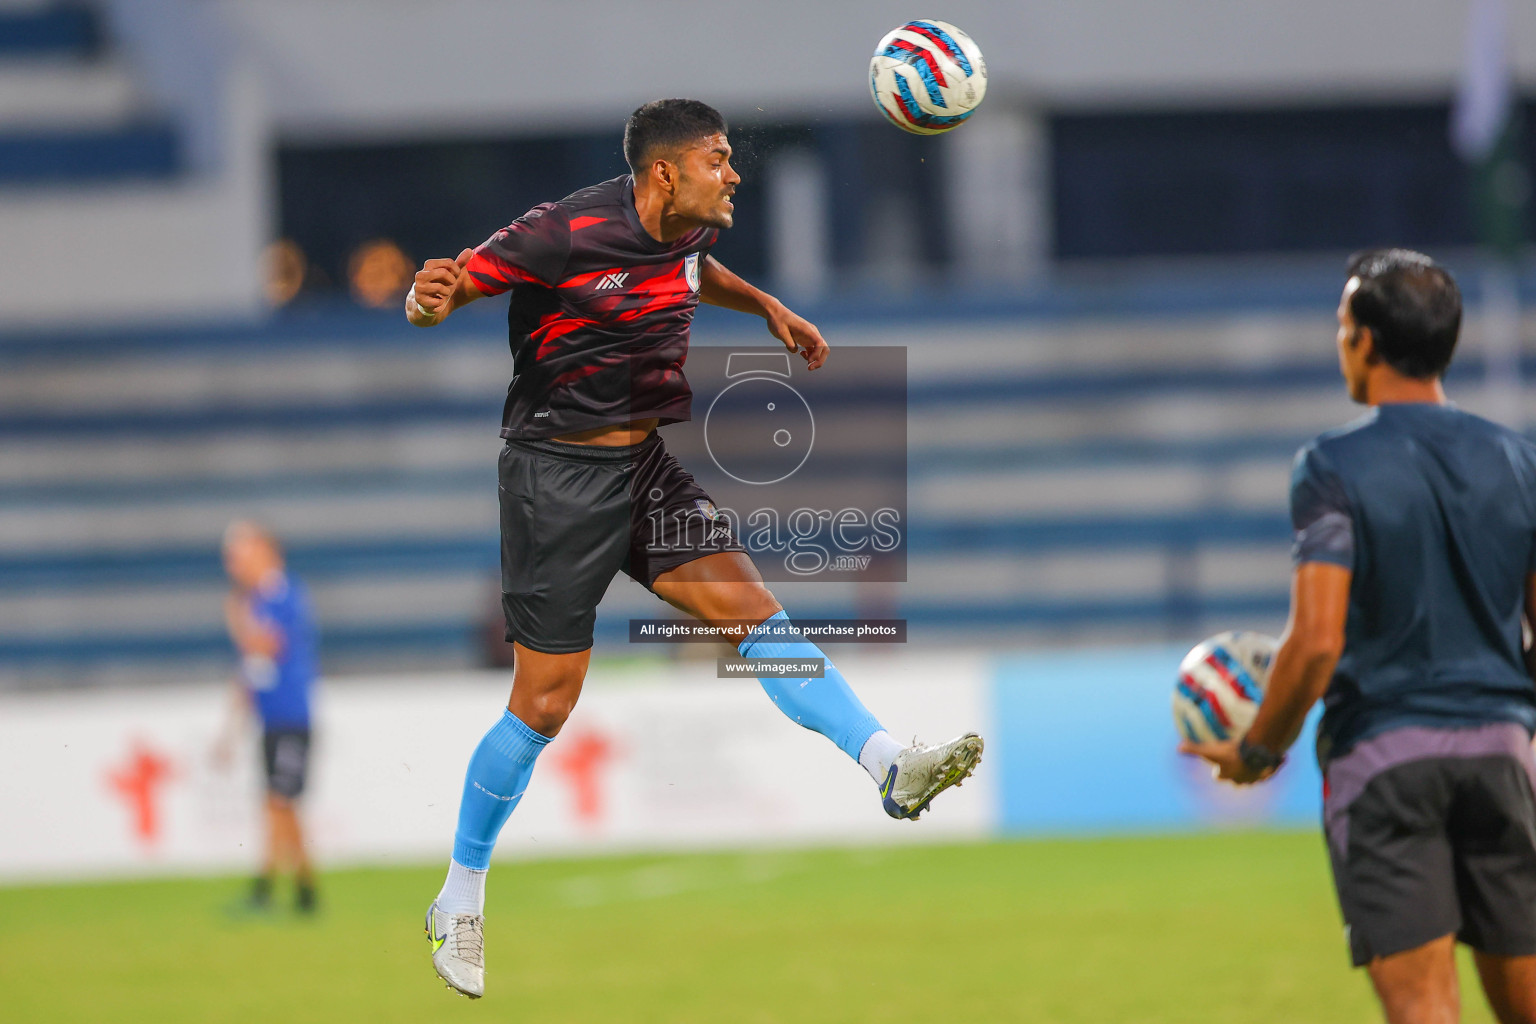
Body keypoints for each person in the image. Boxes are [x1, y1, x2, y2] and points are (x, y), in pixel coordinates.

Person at [406, 98, 983, 999]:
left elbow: (694, 271)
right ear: (664, 173)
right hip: (554, 483)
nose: (735, 172)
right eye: (719, 159)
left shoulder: (680, 232)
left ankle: (887, 767)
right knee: (545, 705)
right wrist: (425, 298)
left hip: (643, 470)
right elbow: (461, 280)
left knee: (758, 616)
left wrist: (767, 307)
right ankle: (461, 893)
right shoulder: (565, 232)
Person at [1183, 250, 1536, 1024]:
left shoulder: (1334, 466)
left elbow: (1314, 644)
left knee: (1424, 1009)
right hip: (1505, 758)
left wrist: (1256, 753)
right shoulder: (1519, 461)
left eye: (1344, 327)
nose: (1341, 342)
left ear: (1368, 342)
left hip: (1386, 762)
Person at [214, 520, 320, 914]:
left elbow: (264, 646)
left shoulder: (278, 595)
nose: (234, 565)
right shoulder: (262, 599)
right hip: (273, 717)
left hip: (291, 715)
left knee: (278, 800)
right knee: (283, 803)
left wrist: (237, 617)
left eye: (240, 555)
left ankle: (265, 889)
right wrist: (230, 730)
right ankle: (305, 889)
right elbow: (250, 669)